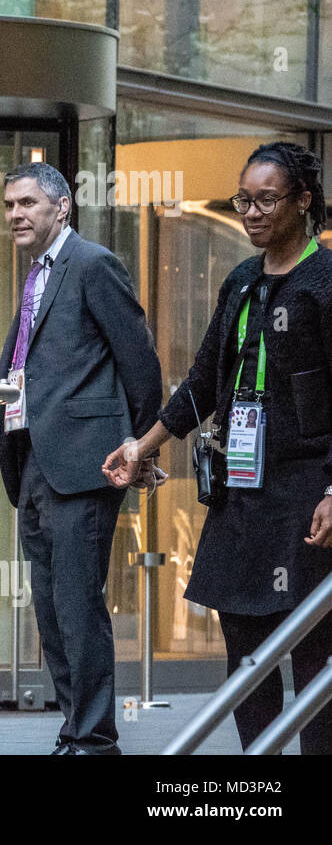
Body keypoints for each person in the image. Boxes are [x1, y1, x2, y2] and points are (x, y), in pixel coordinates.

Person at [104, 142, 332, 754]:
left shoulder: (325, 282)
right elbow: (204, 382)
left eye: (266, 200)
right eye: (243, 200)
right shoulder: (241, 281)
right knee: (247, 657)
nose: (251, 212)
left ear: (303, 201)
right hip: (242, 494)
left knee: (315, 657)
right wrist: (141, 447)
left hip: (308, 496)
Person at [0, 161, 163, 756]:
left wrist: (139, 449)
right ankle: (76, 729)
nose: (15, 214)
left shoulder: (91, 264)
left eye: (27, 204)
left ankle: (92, 738)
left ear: (61, 208)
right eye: (9, 204)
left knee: (77, 605)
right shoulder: (36, 274)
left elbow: (140, 364)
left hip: (86, 464)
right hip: (35, 460)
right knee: (51, 607)